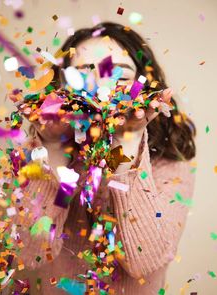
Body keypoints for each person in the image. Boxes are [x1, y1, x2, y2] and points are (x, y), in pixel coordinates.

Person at [12, 22, 196, 295]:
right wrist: (52, 149)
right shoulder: (33, 153)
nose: (101, 88)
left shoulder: (171, 159)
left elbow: (144, 263)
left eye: (120, 76)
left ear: (144, 86)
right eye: (83, 73)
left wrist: (126, 145)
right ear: (60, 86)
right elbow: (30, 254)